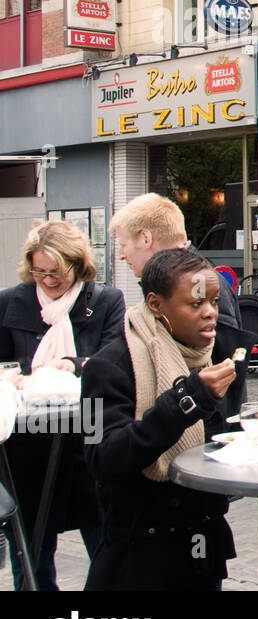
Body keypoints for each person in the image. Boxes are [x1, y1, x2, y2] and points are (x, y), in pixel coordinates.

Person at [81, 248, 258, 590]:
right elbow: (100, 458)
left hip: (202, 547)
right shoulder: (105, 366)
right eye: (195, 304)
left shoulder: (220, 355)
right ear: (156, 304)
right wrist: (187, 398)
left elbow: (212, 442)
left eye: (213, 301)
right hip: (139, 556)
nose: (210, 313)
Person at [0, 221, 124, 590]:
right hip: (28, 447)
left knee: (106, 549)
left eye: (56, 272)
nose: (48, 280)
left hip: (86, 443)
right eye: (40, 271)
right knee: (32, 556)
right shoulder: (10, 302)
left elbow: (115, 364)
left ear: (77, 264)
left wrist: (75, 364)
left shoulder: (105, 301)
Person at [109, 193, 249, 415]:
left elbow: (218, 361)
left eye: (123, 244)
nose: (121, 255)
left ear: (145, 239)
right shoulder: (182, 280)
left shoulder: (200, 282)